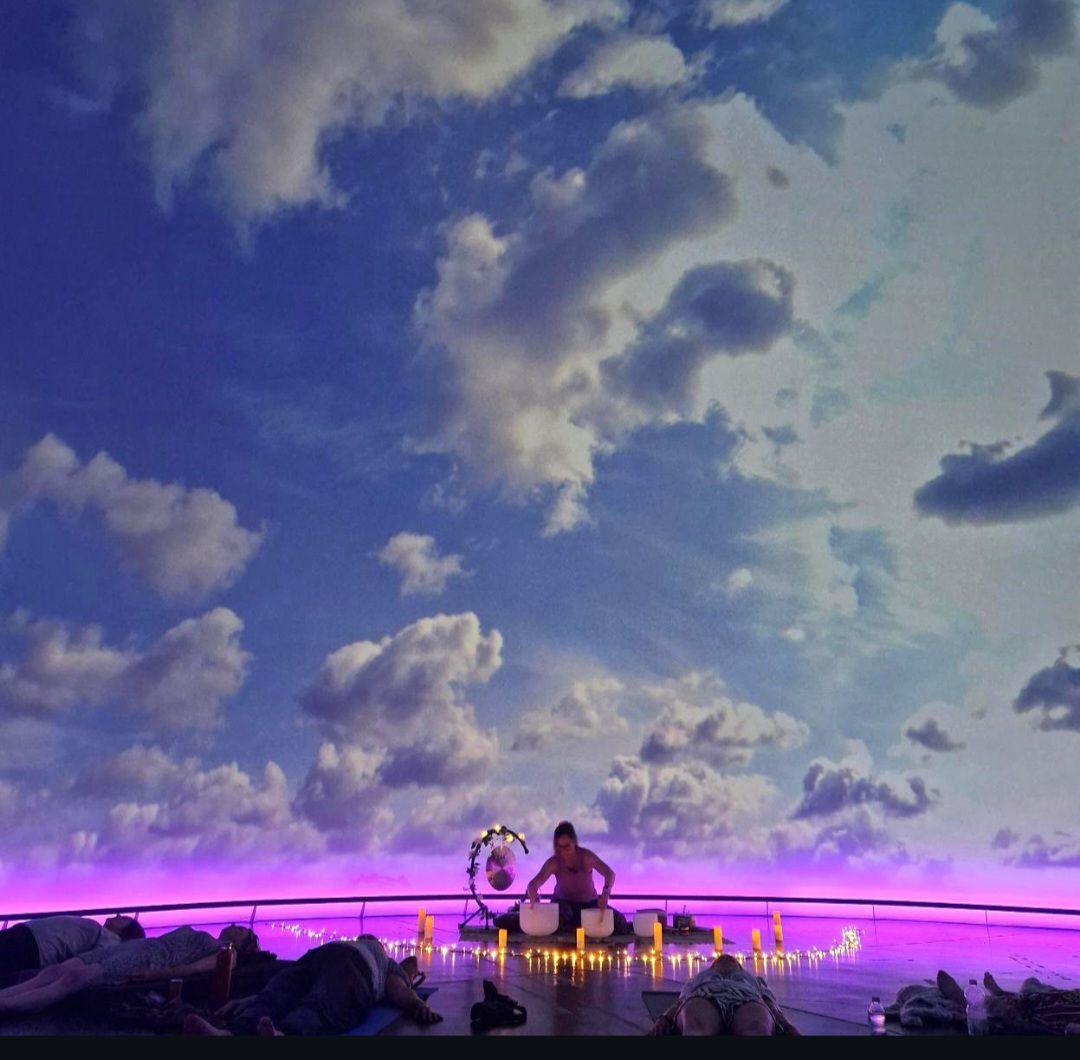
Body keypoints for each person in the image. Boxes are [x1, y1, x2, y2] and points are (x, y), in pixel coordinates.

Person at [182, 937, 442, 1036]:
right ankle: (284, 1033)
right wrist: (417, 1004)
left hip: (317, 956)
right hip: (352, 965)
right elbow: (399, 990)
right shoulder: (383, 960)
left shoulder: (366, 950)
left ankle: (231, 1033)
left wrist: (252, 999)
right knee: (324, 1003)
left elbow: (402, 983)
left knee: (282, 990)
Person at [0, 924, 258, 1015]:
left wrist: (155, 975)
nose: (236, 925)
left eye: (243, 929)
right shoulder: (210, 940)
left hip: (150, 959)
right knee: (56, 971)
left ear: (245, 944)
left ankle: (6, 1007)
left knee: (71, 980)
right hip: (137, 947)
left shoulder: (227, 953)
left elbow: (194, 969)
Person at [649, 954, 800, 1036]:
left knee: (756, 1028)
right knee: (696, 1026)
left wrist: (787, 1026)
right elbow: (682, 1000)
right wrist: (665, 1018)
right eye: (721, 959)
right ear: (713, 966)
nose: (726, 957)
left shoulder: (753, 979)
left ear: (739, 966)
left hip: (746, 997)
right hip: (706, 994)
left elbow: (770, 1003)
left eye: (731, 959)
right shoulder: (699, 978)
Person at [524, 820, 629, 932]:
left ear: (574, 842)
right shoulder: (554, 862)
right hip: (563, 905)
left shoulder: (586, 857)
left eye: (567, 846)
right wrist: (533, 898)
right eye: (560, 847)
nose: (564, 851)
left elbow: (609, 873)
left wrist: (605, 893)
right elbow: (534, 883)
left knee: (619, 922)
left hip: (589, 905)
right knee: (559, 918)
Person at [0, 914, 145, 988]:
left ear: (126, 933)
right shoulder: (98, 932)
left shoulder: (110, 939)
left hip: (33, 943)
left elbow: (96, 960)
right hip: (32, 940)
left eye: (125, 919)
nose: (118, 916)